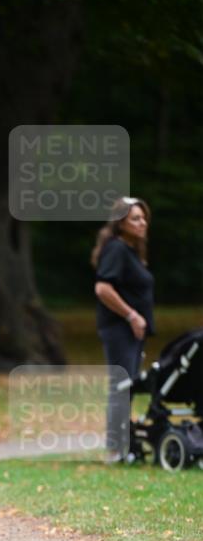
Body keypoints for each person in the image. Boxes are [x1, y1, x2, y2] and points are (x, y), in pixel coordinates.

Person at [92, 197, 155, 462]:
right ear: (120, 223)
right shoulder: (116, 249)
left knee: (126, 386)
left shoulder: (131, 250)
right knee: (121, 386)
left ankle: (125, 444)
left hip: (132, 332)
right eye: (135, 219)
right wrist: (131, 316)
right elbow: (103, 288)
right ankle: (115, 449)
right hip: (119, 329)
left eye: (143, 218)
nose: (142, 223)